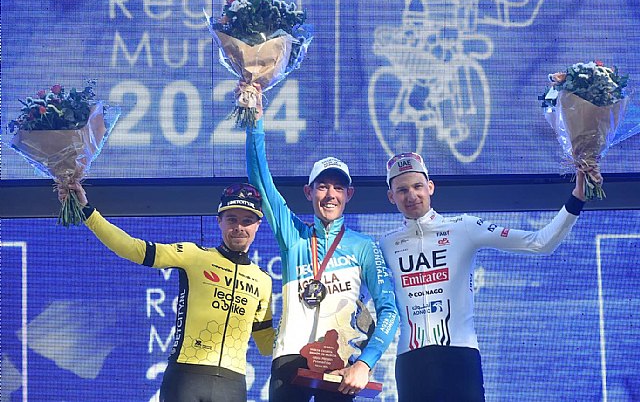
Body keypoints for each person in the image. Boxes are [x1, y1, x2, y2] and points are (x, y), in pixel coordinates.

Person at [379, 152, 587, 402]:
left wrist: (577, 198)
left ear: (430, 187)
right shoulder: (386, 244)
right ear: (391, 197)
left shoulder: (464, 226)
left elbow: (539, 243)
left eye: (417, 186)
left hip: (460, 357)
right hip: (411, 363)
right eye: (402, 190)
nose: (412, 195)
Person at [58, 182, 275, 402]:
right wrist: (87, 211)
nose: (239, 227)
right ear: (219, 221)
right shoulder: (194, 255)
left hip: (233, 385)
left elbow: (266, 345)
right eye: (232, 219)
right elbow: (132, 248)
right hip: (185, 378)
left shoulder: (263, 280)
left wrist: (298, 328)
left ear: (258, 224)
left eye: (247, 221)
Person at [244, 94, 400, 401]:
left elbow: (389, 310)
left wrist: (365, 363)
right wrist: (255, 123)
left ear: (348, 194)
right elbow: (261, 181)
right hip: (290, 360)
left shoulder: (364, 247)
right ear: (309, 191)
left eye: (338, 187)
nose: (330, 194)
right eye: (323, 186)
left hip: (340, 364)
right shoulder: (294, 236)